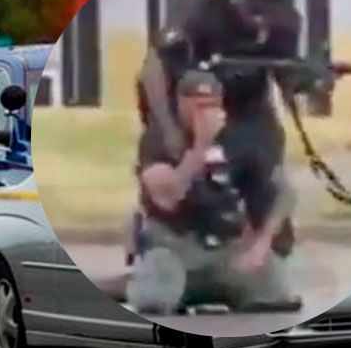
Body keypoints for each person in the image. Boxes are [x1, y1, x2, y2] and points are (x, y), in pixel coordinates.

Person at [128, 70, 301, 315]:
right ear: (180, 102)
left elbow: (284, 191)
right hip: (174, 246)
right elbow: (167, 196)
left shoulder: (238, 138)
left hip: (225, 247)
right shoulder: (161, 139)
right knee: (153, 302)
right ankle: (145, 282)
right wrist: (200, 146)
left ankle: (231, 288)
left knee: (277, 297)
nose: (206, 113)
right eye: (198, 106)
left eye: (212, 105)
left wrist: (261, 245)